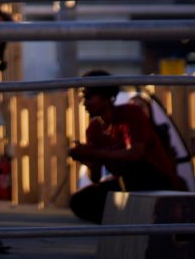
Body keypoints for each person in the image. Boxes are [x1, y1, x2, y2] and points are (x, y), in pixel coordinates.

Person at [68, 70, 181, 224]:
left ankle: (134, 222)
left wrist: (94, 153)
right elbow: (95, 177)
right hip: (125, 183)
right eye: (83, 98)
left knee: (133, 175)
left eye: (89, 97)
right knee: (79, 201)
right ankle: (123, 225)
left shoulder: (130, 113)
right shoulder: (94, 129)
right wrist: (88, 160)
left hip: (154, 179)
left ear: (106, 96)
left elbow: (135, 154)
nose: (84, 103)